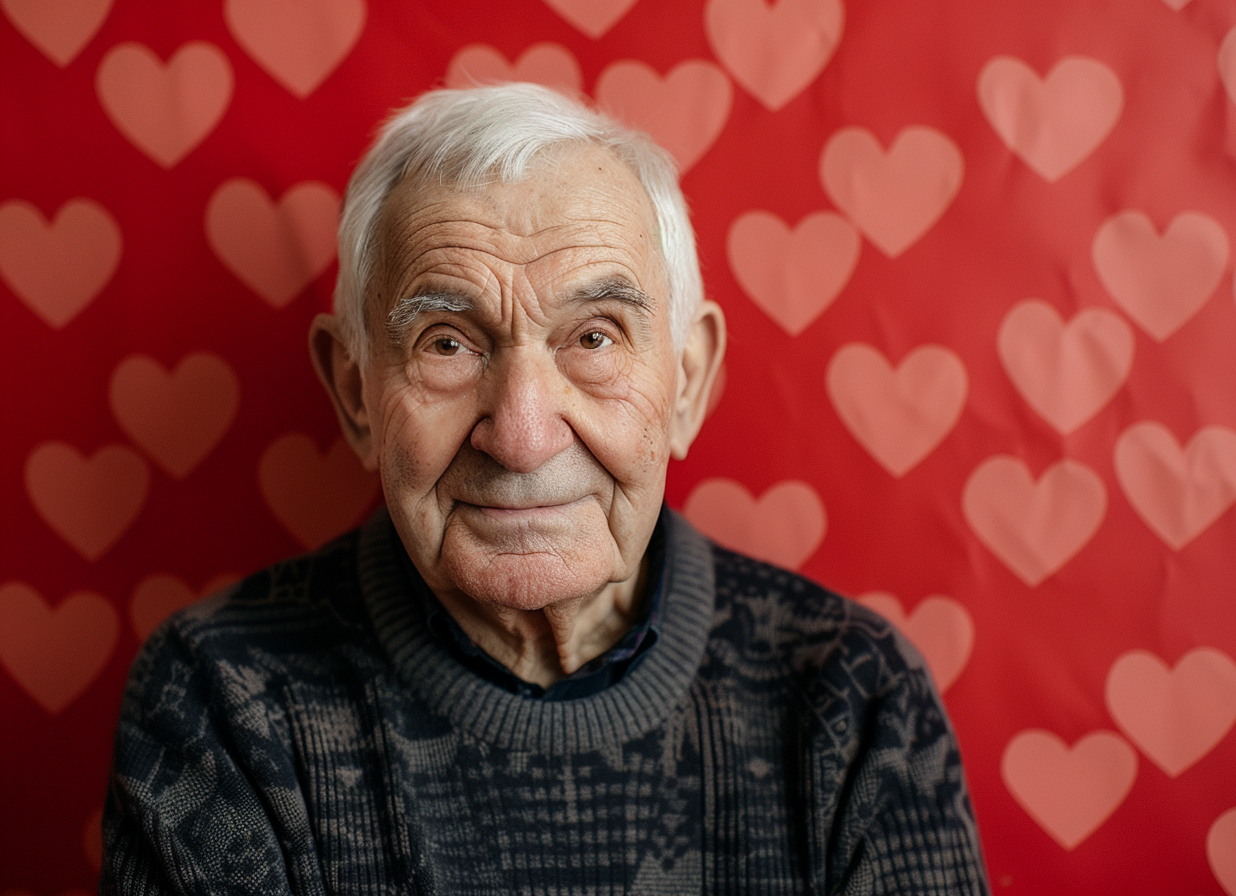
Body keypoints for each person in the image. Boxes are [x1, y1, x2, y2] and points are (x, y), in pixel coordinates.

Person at [100, 83, 989, 894]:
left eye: (594, 338)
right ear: (356, 392)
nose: (522, 436)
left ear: (686, 384)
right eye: (448, 342)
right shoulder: (222, 698)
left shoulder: (853, 703)